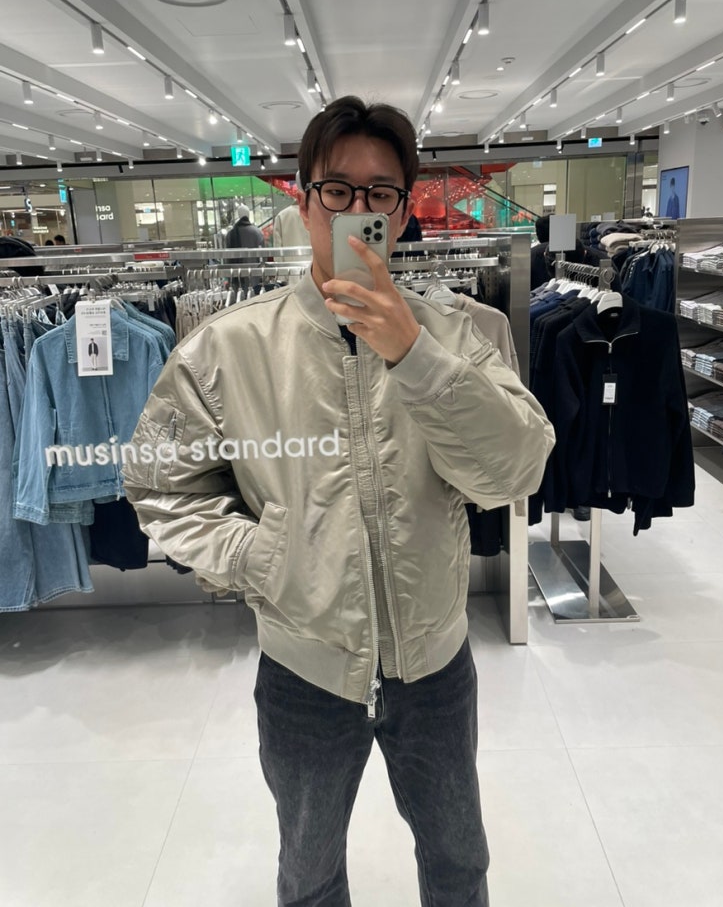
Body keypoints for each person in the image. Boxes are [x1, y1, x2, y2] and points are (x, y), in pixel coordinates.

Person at [124, 95, 554, 906]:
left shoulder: (462, 331)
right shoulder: (226, 346)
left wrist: (413, 354)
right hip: (303, 665)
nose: (358, 208)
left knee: (457, 861)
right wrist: (261, 558)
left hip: (433, 662)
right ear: (304, 199)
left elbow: (516, 469)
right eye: (337, 189)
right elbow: (158, 483)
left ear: (404, 209)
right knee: (309, 872)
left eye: (380, 191)